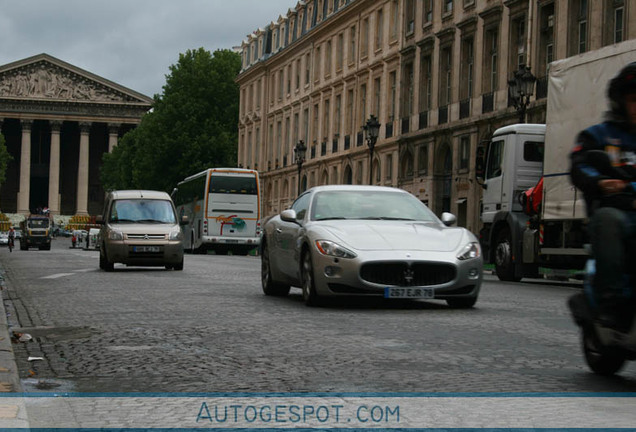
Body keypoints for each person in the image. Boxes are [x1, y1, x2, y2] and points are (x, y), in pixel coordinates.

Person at [570, 62, 636, 330]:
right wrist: (600, 182)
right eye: (634, 100)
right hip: (617, 213)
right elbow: (580, 163)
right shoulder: (599, 135)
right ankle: (611, 302)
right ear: (620, 101)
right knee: (609, 220)